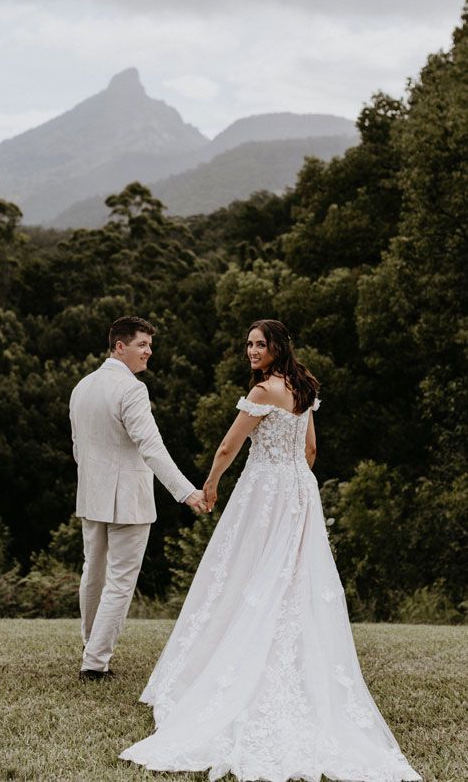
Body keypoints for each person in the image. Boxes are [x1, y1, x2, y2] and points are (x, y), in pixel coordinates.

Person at [121, 319, 421, 781]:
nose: (252, 351)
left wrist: (212, 484)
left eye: (260, 345)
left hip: (264, 489)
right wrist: (294, 479)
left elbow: (228, 446)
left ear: (278, 347)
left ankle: (227, 666)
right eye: (248, 344)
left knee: (245, 571)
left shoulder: (263, 393)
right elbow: (312, 450)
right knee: (291, 575)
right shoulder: (303, 389)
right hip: (299, 489)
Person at [69, 315, 207, 682]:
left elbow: (78, 448)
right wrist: (186, 491)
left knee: (93, 573)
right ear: (119, 346)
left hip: (92, 495)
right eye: (142, 345)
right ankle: (95, 663)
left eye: (150, 345)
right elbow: (153, 448)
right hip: (128, 498)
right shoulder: (131, 389)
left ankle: (90, 648)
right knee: (119, 580)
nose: (149, 352)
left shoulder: (81, 387)